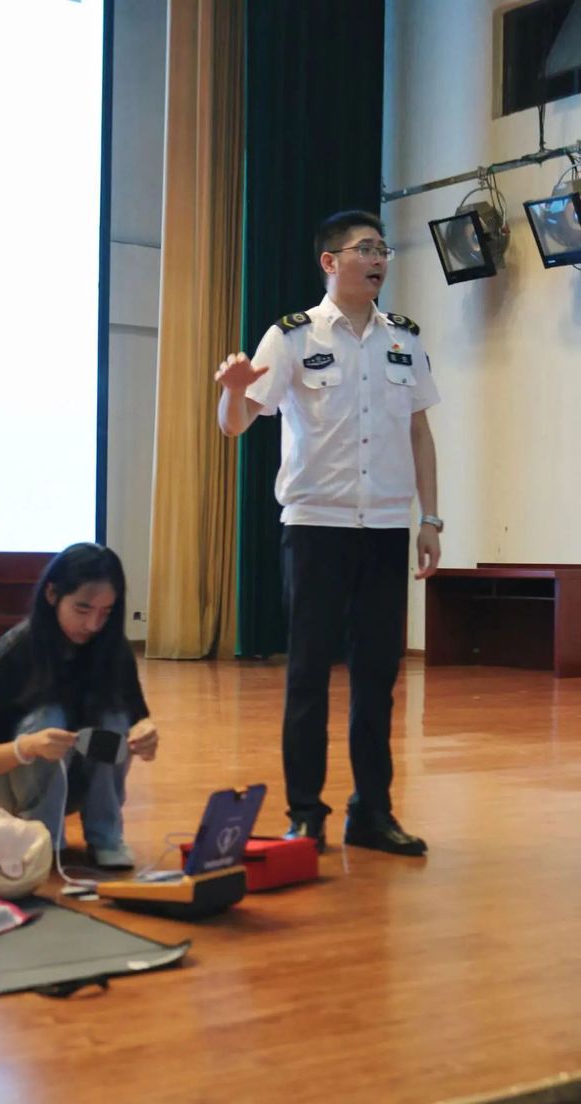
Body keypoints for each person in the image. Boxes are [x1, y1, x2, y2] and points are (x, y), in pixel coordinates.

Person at [216, 210, 442, 857]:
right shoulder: (291, 336)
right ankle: (306, 815)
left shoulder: (403, 339)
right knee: (308, 675)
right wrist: (232, 391)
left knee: (377, 677)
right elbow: (236, 423)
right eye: (365, 249)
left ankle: (371, 812)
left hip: (385, 529)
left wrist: (429, 519)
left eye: (383, 250)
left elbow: (420, 433)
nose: (378, 259)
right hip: (316, 527)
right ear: (330, 261)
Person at [0, 543, 158, 869]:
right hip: (6, 785)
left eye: (106, 612)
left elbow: (137, 720)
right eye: (82, 609)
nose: (93, 624)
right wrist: (28, 746)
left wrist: (145, 735)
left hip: (75, 783)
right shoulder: (15, 651)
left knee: (113, 719)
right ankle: (41, 842)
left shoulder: (112, 649)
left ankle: (107, 837)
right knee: (47, 718)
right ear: (52, 594)